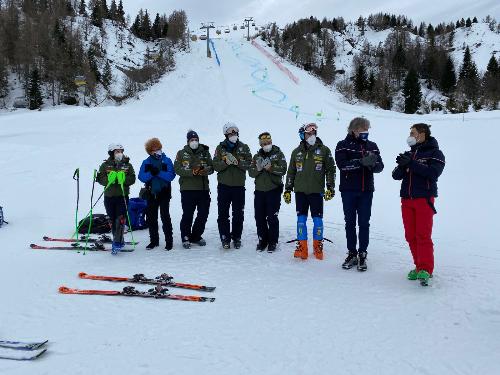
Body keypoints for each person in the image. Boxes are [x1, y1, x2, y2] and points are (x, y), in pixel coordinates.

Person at [392, 123, 445, 285]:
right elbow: (395, 176)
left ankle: (426, 269)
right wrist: (402, 165)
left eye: (412, 132)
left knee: (423, 235)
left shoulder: (436, 153)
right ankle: (418, 266)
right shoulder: (410, 153)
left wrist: (411, 164)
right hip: (407, 199)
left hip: (424, 199)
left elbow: (433, 173)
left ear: (422, 134)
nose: (410, 135)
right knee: (410, 235)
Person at [335, 117, 384, 271]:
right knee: (350, 223)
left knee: (364, 223)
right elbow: (342, 166)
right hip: (348, 190)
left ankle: (363, 253)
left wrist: (372, 164)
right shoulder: (342, 145)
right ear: (353, 130)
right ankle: (352, 253)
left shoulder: (372, 146)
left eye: (367, 129)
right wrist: (360, 162)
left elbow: (380, 167)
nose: (365, 132)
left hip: (366, 191)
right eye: (362, 129)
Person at [284, 123, 336, 260]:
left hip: (316, 191)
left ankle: (318, 247)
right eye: (309, 134)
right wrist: (288, 189)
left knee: (317, 221)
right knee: (301, 221)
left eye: (314, 133)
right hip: (300, 192)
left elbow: (331, 169)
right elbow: (291, 172)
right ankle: (302, 247)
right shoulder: (296, 152)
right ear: (303, 135)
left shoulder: (324, 150)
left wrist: (330, 187)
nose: (312, 136)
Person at [213, 122, 252, 249]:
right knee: (223, 214)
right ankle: (225, 238)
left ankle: (236, 237)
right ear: (226, 134)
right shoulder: (220, 148)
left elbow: (250, 165)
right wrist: (225, 162)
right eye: (231, 132)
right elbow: (215, 166)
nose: (233, 134)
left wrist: (237, 162)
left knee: (238, 214)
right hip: (224, 186)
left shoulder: (244, 147)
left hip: (239, 187)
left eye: (235, 132)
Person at [174, 130, 214, 249]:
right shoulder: (181, 153)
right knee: (188, 214)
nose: (194, 142)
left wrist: (204, 170)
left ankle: (196, 236)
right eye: (192, 140)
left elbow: (212, 167)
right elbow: (177, 169)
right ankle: (185, 236)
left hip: (203, 189)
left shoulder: (205, 152)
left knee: (203, 213)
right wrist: (192, 172)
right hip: (187, 189)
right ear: (188, 141)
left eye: (196, 140)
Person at [248, 132, 287, 252]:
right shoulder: (256, 157)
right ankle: (262, 240)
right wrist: (258, 169)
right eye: (264, 143)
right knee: (259, 217)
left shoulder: (278, 154)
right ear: (260, 144)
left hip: (273, 190)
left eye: (268, 142)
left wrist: (271, 168)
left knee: (272, 217)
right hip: (259, 191)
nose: (267, 145)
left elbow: (284, 169)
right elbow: (250, 173)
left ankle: (273, 241)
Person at [97, 143, 136, 254]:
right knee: (113, 219)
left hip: (122, 196)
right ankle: (119, 239)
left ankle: (117, 242)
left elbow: (132, 179)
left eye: (120, 151)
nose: (119, 153)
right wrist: (111, 180)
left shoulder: (127, 165)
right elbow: (100, 178)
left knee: (120, 219)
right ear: (111, 153)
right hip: (109, 196)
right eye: (117, 151)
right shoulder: (105, 165)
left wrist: (122, 180)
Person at [138, 138, 176, 250]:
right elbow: (141, 177)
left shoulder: (167, 160)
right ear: (149, 151)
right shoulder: (146, 162)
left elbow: (171, 176)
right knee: (151, 218)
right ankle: (154, 241)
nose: (157, 151)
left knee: (165, 217)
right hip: (151, 193)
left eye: (158, 148)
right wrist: (151, 173)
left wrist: (158, 172)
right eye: (154, 149)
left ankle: (169, 242)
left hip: (164, 192)